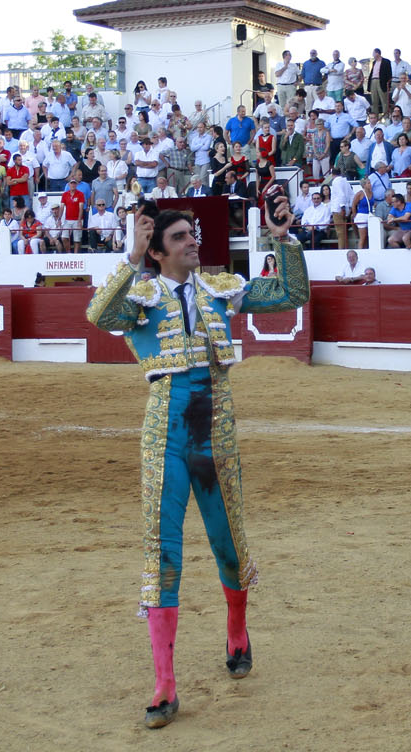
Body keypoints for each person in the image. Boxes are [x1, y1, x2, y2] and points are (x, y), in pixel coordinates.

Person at [85, 197, 310, 729]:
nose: (194, 241)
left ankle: (237, 628)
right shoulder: (140, 293)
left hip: (217, 427)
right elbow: (99, 315)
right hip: (164, 430)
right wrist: (132, 254)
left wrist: (283, 238)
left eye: (194, 234)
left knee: (229, 542)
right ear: (160, 251)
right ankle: (165, 683)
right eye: (182, 237)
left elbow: (291, 292)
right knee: (162, 551)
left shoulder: (220, 287)